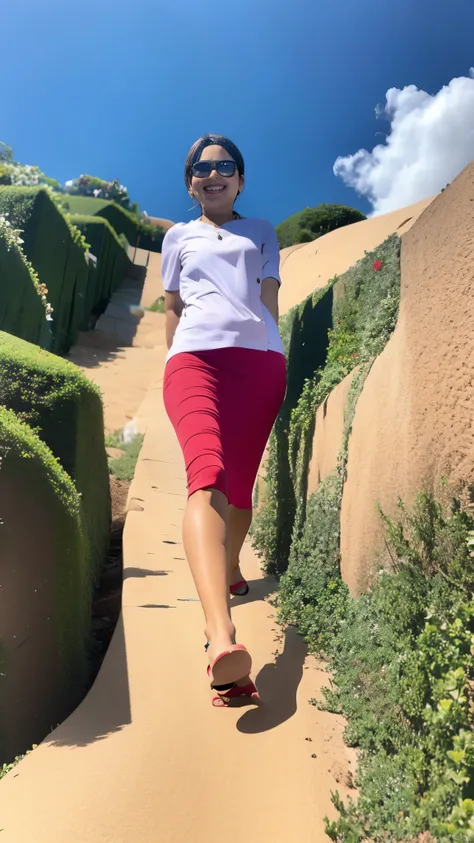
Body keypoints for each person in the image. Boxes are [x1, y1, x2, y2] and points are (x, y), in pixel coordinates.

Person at [162, 133, 286, 706]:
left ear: (239, 178)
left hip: (258, 364)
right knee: (206, 475)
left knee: (240, 491)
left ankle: (232, 568)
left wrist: (273, 351)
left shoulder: (261, 231)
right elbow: (173, 308)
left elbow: (267, 300)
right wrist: (171, 364)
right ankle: (221, 637)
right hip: (193, 361)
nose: (213, 174)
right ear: (190, 182)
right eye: (201, 168)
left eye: (225, 166)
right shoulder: (176, 238)